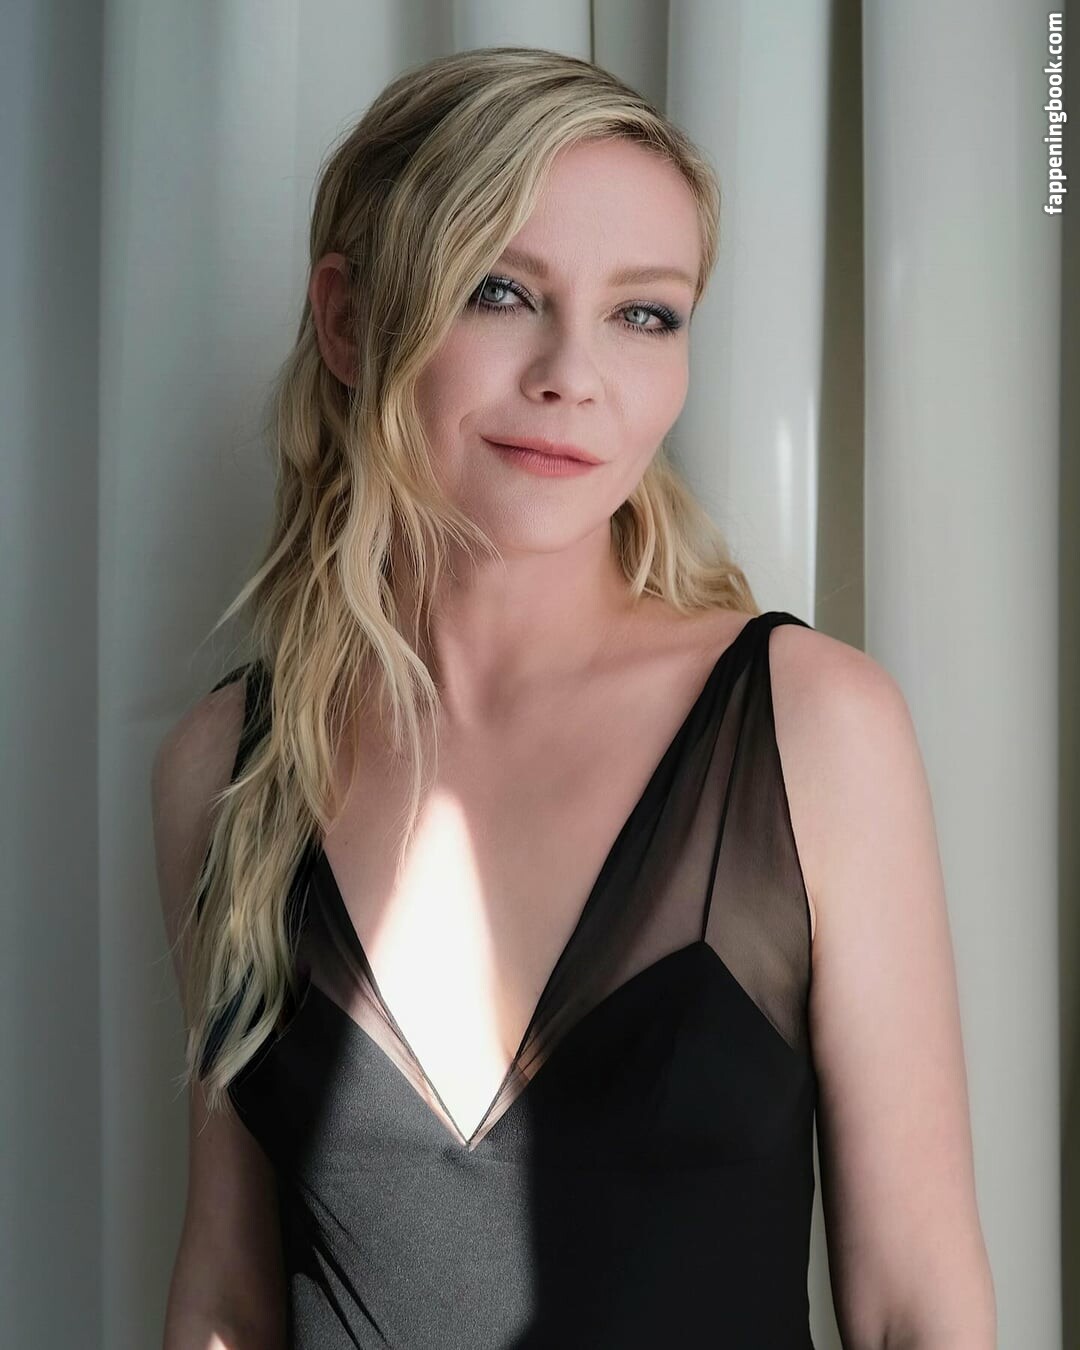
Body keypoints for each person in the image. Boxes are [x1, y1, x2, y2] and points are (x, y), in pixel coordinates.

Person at [151, 45, 995, 1350]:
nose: (572, 374)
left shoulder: (811, 726)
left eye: (644, 313)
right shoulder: (226, 768)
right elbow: (226, 1297)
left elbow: (920, 1305)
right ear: (349, 321)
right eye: (502, 291)